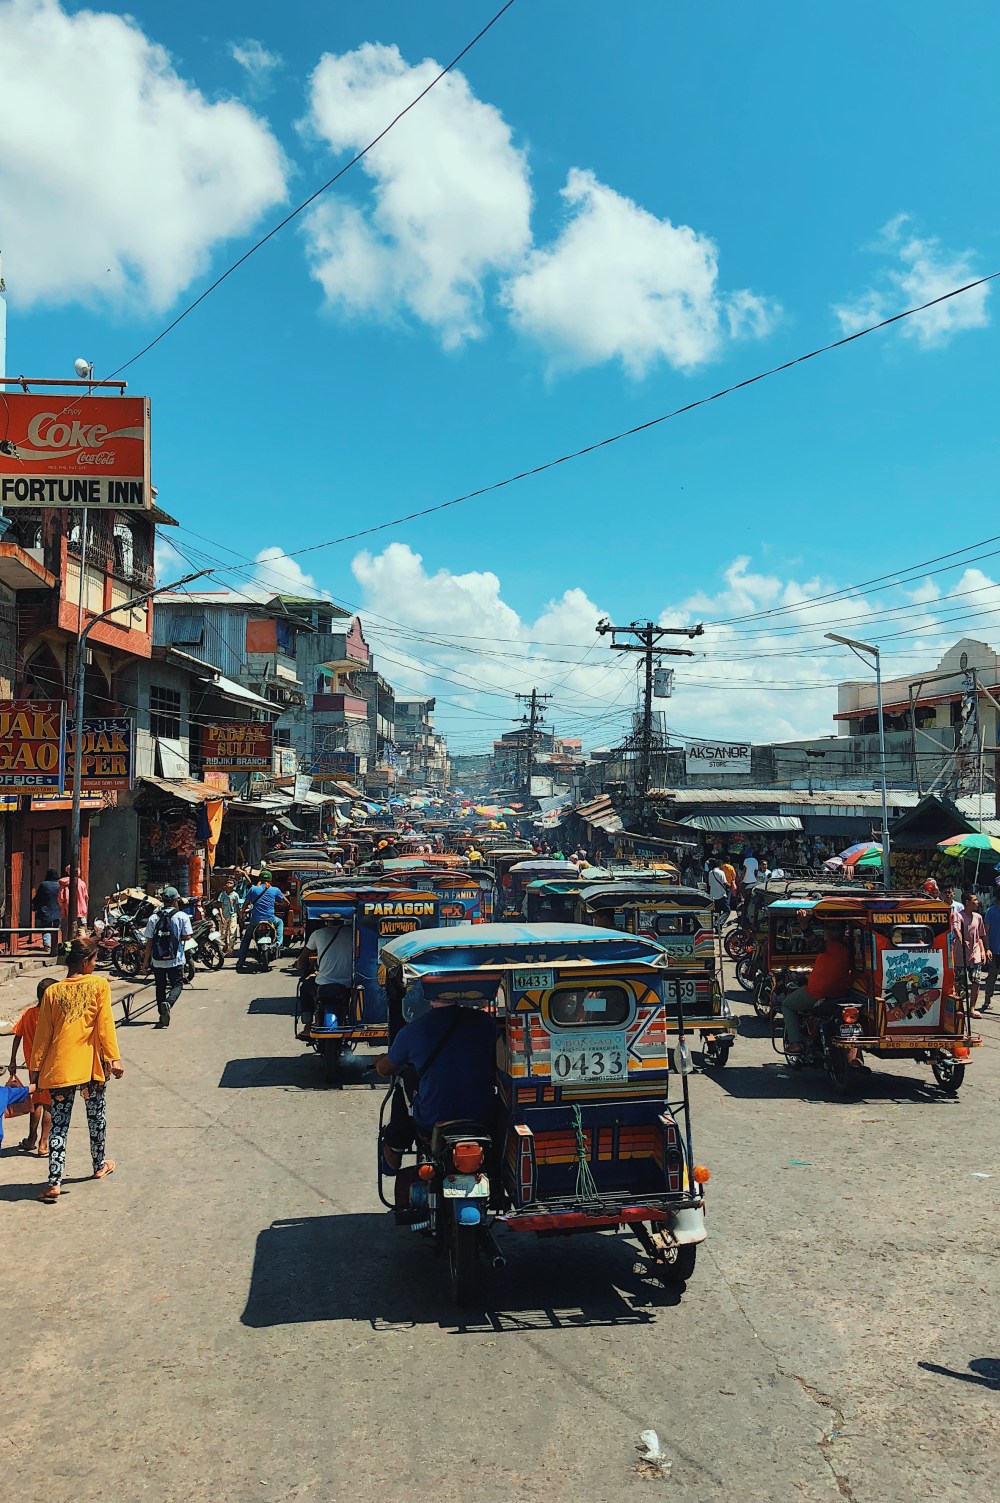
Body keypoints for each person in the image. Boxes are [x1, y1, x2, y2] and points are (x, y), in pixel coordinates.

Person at [29, 936, 123, 1204]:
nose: (96, 964)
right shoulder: (98, 985)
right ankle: (99, 1164)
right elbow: (105, 1025)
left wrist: (35, 1072)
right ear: (85, 962)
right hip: (90, 1069)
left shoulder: (51, 992)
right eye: (94, 959)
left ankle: (54, 1182)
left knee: (59, 1126)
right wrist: (114, 1058)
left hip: (58, 1069)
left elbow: (42, 1037)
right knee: (97, 1119)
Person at [376, 999, 497, 1172]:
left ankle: (395, 1149)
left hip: (432, 1122)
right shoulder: (485, 1022)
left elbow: (384, 1069)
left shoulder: (413, 1031)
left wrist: (378, 1060)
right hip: (483, 1117)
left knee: (405, 1079)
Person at [782, 922, 855, 1054]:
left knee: (787, 1005)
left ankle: (795, 1042)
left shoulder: (830, 946)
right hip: (840, 994)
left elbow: (813, 941)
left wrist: (804, 925)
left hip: (817, 993)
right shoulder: (849, 948)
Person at [6, 978, 55, 1155]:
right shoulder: (52, 1015)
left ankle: (31, 1138)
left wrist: (12, 1060)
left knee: (36, 1101)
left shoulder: (28, 1014)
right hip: (51, 1065)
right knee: (48, 1104)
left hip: (32, 1066)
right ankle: (43, 1143)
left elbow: (17, 1036)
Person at [141, 887, 193, 1028]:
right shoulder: (181, 916)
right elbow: (187, 936)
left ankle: (161, 1013)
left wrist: (145, 962)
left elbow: (149, 942)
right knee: (177, 984)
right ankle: (168, 1003)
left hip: (157, 960)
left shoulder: (153, 917)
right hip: (175, 959)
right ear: (175, 900)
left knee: (160, 987)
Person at [296, 918, 354, 1037]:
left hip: (324, 985)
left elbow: (302, 959)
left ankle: (308, 1025)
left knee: (304, 988)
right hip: (348, 984)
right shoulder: (353, 933)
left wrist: (300, 965)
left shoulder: (317, 934)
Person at [236, 871, 284, 969]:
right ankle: (279, 942)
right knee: (280, 922)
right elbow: (285, 901)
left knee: (246, 940)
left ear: (260, 879)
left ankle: (241, 961)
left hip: (255, 921)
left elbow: (245, 904)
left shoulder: (253, 889)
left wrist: (242, 912)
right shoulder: (275, 890)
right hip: (270, 919)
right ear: (270, 880)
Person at [952, 891, 987, 1016]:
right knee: (958, 983)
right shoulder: (958, 915)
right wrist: (962, 940)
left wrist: (983, 951)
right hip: (960, 955)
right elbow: (956, 928)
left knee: (976, 981)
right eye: (975, 900)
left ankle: (972, 1008)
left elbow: (981, 936)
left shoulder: (978, 917)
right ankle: (957, 1008)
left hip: (975, 954)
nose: (977, 902)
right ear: (967, 902)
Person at [31, 868, 61, 957]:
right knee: (55, 929)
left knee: (46, 928)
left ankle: (47, 945)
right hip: (58, 910)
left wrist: (34, 905)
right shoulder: (59, 885)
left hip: (46, 909)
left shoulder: (44, 885)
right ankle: (54, 946)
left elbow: (38, 897)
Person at [57, 865, 89, 939]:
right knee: (82, 930)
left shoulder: (63, 884)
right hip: (81, 912)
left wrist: (62, 908)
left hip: (67, 911)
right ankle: (82, 946)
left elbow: (61, 898)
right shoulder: (82, 884)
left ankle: (67, 947)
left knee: (66, 931)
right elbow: (86, 897)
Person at [982, 889, 1000, 1014]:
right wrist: (986, 948)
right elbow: (986, 932)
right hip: (994, 950)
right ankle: (987, 1001)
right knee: (992, 977)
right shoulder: (991, 911)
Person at [217, 877, 241, 953]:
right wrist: (221, 916)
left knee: (232, 932)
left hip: (233, 915)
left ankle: (230, 950)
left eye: (231, 883)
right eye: (228, 882)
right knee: (223, 933)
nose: (228, 884)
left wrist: (239, 915)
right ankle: (224, 947)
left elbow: (237, 906)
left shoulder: (235, 895)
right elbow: (220, 906)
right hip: (224, 915)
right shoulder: (222, 895)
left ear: (234, 885)